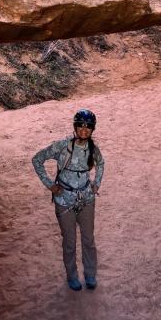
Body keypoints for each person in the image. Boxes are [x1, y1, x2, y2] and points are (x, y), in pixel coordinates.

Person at [32, 109, 104, 291]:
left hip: (86, 199)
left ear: (92, 129)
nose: (84, 129)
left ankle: (90, 275)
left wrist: (96, 184)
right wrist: (50, 184)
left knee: (88, 240)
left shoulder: (93, 149)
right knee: (70, 242)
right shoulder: (62, 146)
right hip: (64, 201)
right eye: (81, 125)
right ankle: (72, 276)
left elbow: (101, 163)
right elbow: (37, 159)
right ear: (75, 126)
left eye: (88, 126)